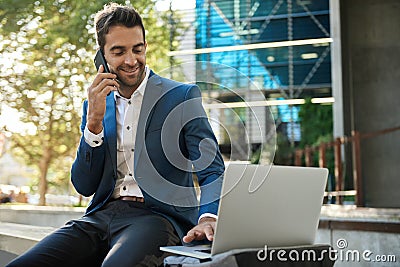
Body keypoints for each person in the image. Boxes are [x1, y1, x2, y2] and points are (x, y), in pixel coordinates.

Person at [7, 3, 224, 267]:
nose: (132, 60)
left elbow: (211, 169)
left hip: (157, 218)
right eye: (119, 51)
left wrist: (208, 217)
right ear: (101, 56)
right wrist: (93, 123)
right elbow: (84, 186)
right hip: (100, 216)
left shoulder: (180, 96)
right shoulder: (95, 104)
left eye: (138, 49)